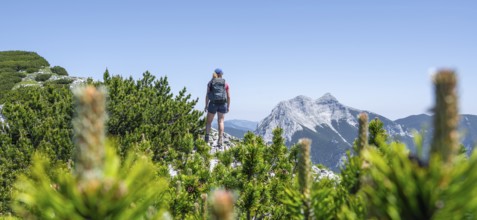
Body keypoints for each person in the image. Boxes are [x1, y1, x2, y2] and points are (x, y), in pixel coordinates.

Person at [205, 68, 230, 146]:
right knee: (221, 121)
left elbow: (207, 95)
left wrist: (206, 105)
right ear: (221, 74)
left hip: (213, 104)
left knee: (209, 122)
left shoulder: (210, 83)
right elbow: (228, 96)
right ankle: (220, 139)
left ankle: (207, 138)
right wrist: (228, 106)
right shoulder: (225, 83)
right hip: (222, 104)